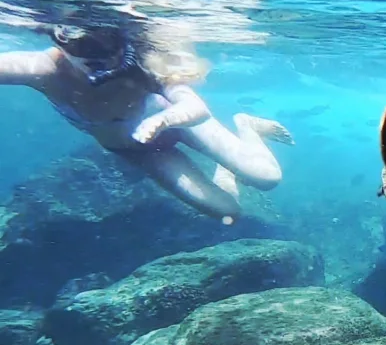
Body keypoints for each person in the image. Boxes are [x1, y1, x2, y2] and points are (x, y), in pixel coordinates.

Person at [0, 24, 293, 224]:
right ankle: (226, 175)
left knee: (267, 178)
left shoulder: (147, 61)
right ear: (58, 38)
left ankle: (248, 126)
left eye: (107, 42)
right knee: (227, 211)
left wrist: (164, 119)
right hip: (138, 150)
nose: (96, 54)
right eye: (81, 42)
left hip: (180, 124)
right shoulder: (43, 69)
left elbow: (196, 108)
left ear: (123, 39)